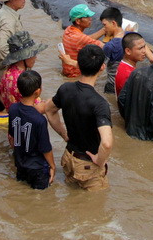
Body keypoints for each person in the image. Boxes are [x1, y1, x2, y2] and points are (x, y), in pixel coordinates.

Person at [41, 45, 114, 191]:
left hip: (68, 157)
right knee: (96, 208)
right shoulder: (100, 104)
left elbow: (49, 110)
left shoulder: (65, 89)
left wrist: (64, 134)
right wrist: (99, 161)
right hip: (88, 165)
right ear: (102, 67)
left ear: (78, 64)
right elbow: (106, 143)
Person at [8, 70, 55, 190]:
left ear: (18, 90)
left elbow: (11, 137)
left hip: (20, 163)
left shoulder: (12, 109)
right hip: (37, 168)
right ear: (38, 92)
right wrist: (52, 166)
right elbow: (46, 148)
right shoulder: (40, 120)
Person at [60, 4, 104, 78]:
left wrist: (104, 31)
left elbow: (86, 39)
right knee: (102, 67)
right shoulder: (80, 38)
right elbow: (107, 48)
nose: (90, 19)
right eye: (87, 17)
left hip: (67, 71)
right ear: (78, 21)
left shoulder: (68, 30)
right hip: (77, 75)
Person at [114, 32, 148, 96]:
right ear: (128, 51)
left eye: (144, 47)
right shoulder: (129, 75)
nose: (144, 51)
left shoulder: (122, 66)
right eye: (140, 48)